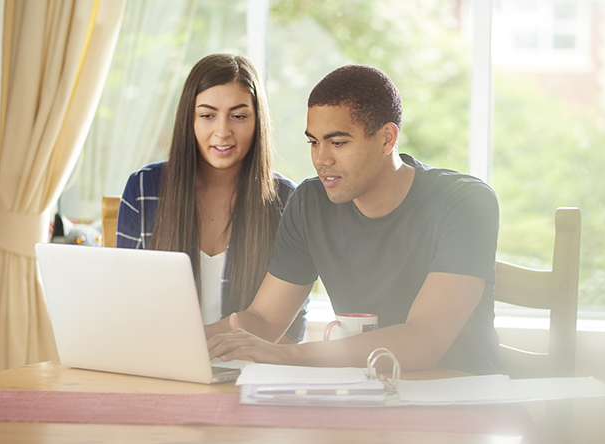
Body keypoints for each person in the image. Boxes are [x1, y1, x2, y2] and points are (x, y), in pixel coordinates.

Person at [206, 64, 505, 375]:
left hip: (462, 400)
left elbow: (422, 342)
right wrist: (186, 340)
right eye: (314, 142)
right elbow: (265, 321)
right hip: (366, 395)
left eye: (338, 143)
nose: (321, 159)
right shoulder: (311, 203)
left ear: (387, 139)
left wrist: (286, 355)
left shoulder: (465, 202)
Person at [116, 54, 306, 342]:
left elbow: (291, 331)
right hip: (161, 366)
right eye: (207, 115)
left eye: (239, 116)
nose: (222, 132)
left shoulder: (286, 201)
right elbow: (125, 306)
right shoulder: (144, 189)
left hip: (249, 372)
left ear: (258, 122)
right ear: (188, 119)